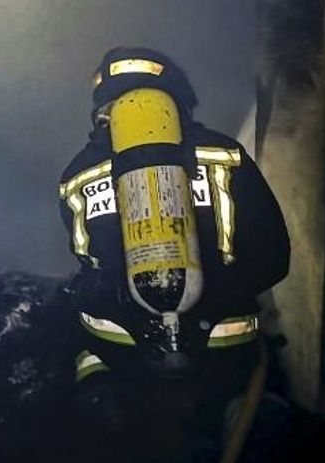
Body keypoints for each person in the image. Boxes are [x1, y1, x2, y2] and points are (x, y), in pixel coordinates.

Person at [58, 47, 289, 461]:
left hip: (123, 363)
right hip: (227, 362)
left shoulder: (76, 176)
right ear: (177, 98)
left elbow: (87, 267)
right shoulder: (225, 155)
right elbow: (274, 256)